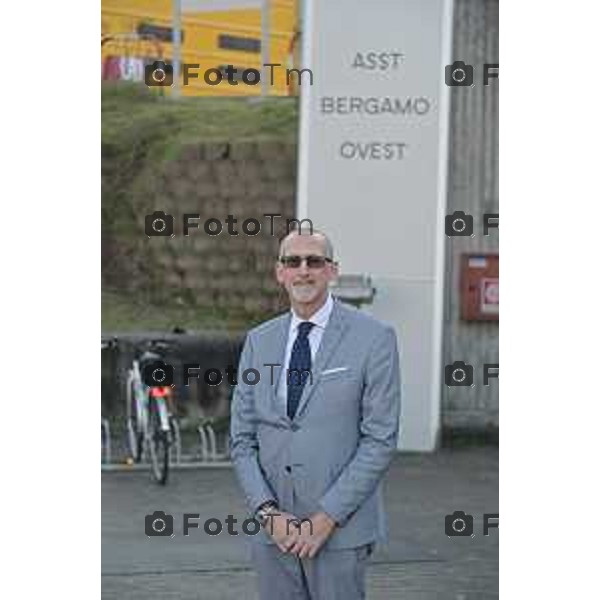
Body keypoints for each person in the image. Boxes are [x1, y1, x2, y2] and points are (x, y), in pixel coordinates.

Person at [230, 229, 401, 600]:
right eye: (293, 261)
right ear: (280, 272)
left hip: (340, 532)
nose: (303, 271)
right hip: (273, 534)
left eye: (314, 261)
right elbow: (242, 440)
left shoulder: (374, 338)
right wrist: (267, 513)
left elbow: (380, 440)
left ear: (332, 271)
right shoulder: (259, 341)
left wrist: (326, 519)